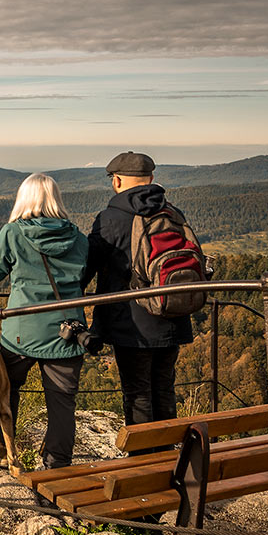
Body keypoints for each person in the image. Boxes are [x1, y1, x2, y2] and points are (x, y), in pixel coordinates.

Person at [0, 173, 91, 469]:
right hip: (68, 333)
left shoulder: (13, 233)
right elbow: (82, 279)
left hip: (22, 333)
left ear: (23, 199)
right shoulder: (78, 238)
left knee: (3, 388)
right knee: (62, 403)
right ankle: (57, 463)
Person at [87, 151, 195, 433]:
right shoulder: (172, 213)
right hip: (173, 313)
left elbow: (86, 267)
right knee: (164, 389)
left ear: (117, 181)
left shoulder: (110, 219)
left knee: (138, 394)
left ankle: (144, 465)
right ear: (151, 179)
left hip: (131, 324)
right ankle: (170, 459)